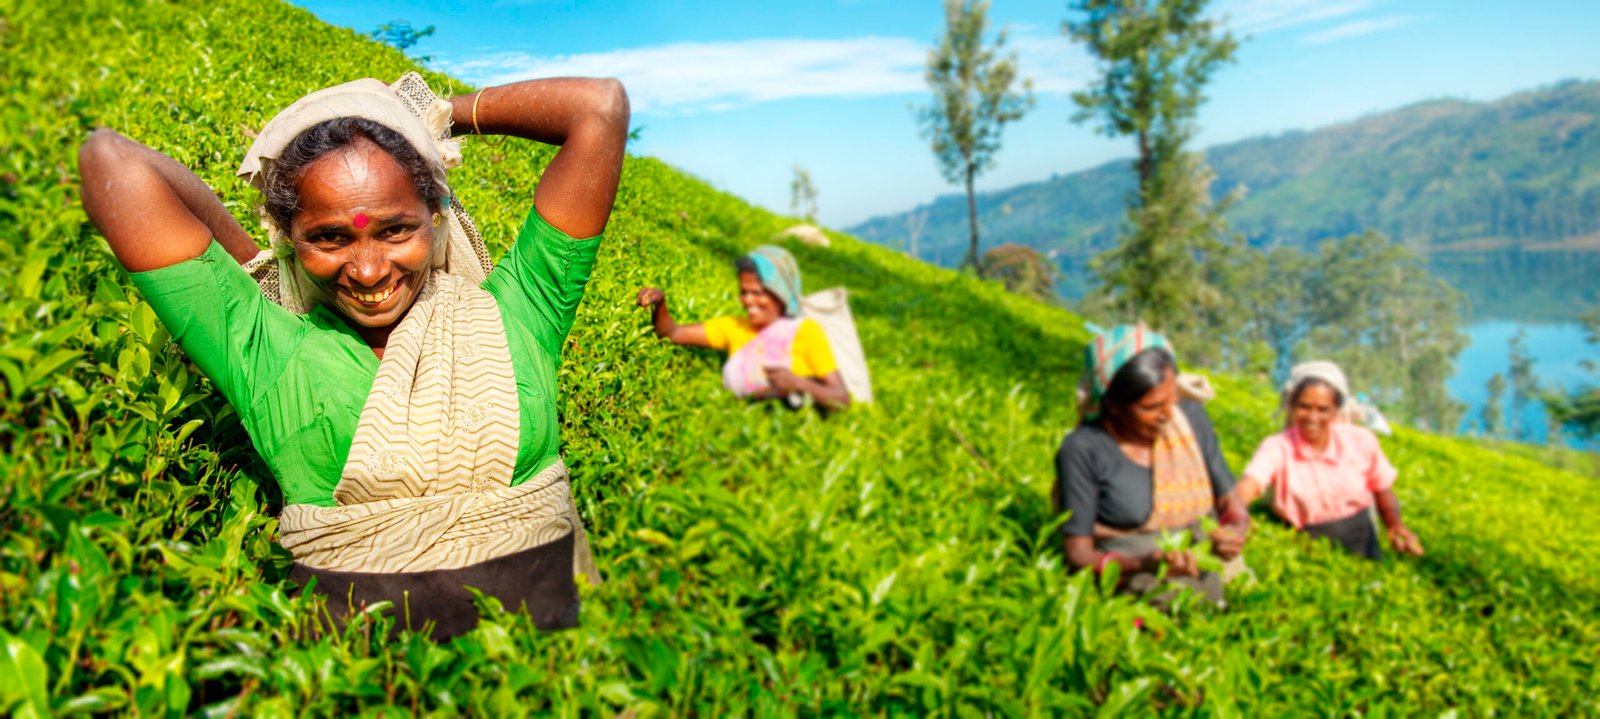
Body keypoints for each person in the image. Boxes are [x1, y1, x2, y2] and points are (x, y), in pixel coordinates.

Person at [77, 72, 630, 638]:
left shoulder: (522, 310)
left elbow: (598, 107)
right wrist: (257, 270)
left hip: (554, 678)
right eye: (330, 238)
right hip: (358, 686)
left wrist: (426, 114)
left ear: (435, 217)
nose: (369, 271)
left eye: (396, 230)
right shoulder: (267, 351)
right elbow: (109, 160)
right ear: (290, 238)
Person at [1053, 324, 1250, 605]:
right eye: (1151, 407)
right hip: (1133, 572)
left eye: (1172, 399)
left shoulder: (1191, 419)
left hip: (1206, 561)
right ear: (1113, 405)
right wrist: (1145, 563)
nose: (1167, 415)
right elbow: (1078, 555)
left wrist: (1234, 531)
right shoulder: (1083, 449)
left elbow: (1231, 503)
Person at [1237, 361, 1424, 560]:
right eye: (1304, 407)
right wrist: (1234, 513)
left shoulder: (1360, 441)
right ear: (1291, 406)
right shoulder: (1277, 447)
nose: (1312, 417)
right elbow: (1251, 483)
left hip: (1362, 538)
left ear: (1336, 411)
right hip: (1305, 546)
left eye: (1323, 409)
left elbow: (1382, 488)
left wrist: (1395, 526)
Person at [635, 245, 850, 410]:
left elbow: (842, 397)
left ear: (781, 292)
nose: (747, 300)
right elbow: (672, 333)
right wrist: (660, 302)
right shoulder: (734, 327)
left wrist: (799, 383)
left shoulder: (805, 331)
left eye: (757, 293)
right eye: (744, 292)